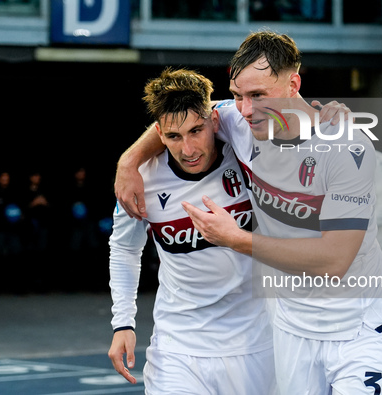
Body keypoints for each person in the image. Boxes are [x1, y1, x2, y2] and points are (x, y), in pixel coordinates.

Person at [115, 30, 382, 395]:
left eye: (258, 95)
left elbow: (335, 261)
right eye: (237, 95)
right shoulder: (239, 121)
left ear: (293, 83)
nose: (246, 109)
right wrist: (129, 162)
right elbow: (180, 122)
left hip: (360, 327)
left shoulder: (346, 146)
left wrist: (236, 239)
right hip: (290, 332)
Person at [107, 68, 275, 395]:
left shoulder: (243, 146)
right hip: (177, 347)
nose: (188, 149)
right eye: (173, 137)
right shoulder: (141, 180)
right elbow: (125, 249)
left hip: (257, 345)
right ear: (158, 133)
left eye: (196, 131)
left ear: (214, 121)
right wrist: (122, 322)